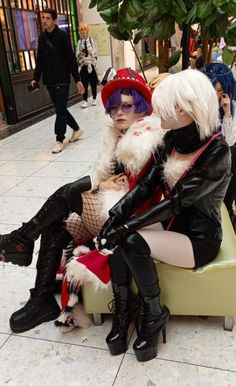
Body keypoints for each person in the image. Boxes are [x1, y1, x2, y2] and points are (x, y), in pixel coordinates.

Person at [0, 68, 164, 334]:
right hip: (108, 211)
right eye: (114, 107)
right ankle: (41, 299)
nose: (119, 113)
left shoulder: (147, 140)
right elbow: (106, 180)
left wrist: (99, 185)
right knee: (57, 225)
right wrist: (102, 184)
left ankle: (21, 238)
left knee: (73, 192)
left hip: (132, 221)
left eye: (127, 106)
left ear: (142, 108)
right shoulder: (116, 137)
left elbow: (141, 193)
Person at [95, 69, 231, 362]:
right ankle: (124, 308)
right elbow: (146, 186)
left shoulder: (217, 152)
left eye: (164, 105)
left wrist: (127, 225)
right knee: (121, 232)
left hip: (199, 239)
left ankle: (154, 315)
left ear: (183, 110)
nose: (156, 111)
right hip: (172, 225)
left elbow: (177, 202)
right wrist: (117, 214)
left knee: (130, 239)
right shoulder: (171, 139)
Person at [31, 8, 85, 154]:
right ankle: (77, 129)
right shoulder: (42, 38)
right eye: (43, 18)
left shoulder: (62, 36)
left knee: (59, 110)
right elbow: (40, 61)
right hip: (49, 80)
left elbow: (71, 59)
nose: (44, 21)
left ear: (54, 20)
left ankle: (59, 139)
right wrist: (35, 79)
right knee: (60, 109)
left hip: (62, 79)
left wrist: (77, 80)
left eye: (48, 18)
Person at [205, 63, 236, 230]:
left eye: (220, 90)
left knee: (233, 153)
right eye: (213, 89)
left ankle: (228, 208)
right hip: (204, 155)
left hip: (223, 156)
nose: (216, 94)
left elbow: (229, 142)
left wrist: (227, 114)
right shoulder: (203, 107)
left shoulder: (232, 107)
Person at [77, 23, 98, 108]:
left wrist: (91, 52)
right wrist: (80, 53)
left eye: (85, 29)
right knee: (84, 83)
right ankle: (85, 100)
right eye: (81, 30)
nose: (83, 31)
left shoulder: (92, 41)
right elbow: (77, 54)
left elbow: (96, 52)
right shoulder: (79, 42)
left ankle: (94, 98)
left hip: (91, 64)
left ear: (87, 31)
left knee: (93, 82)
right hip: (84, 65)